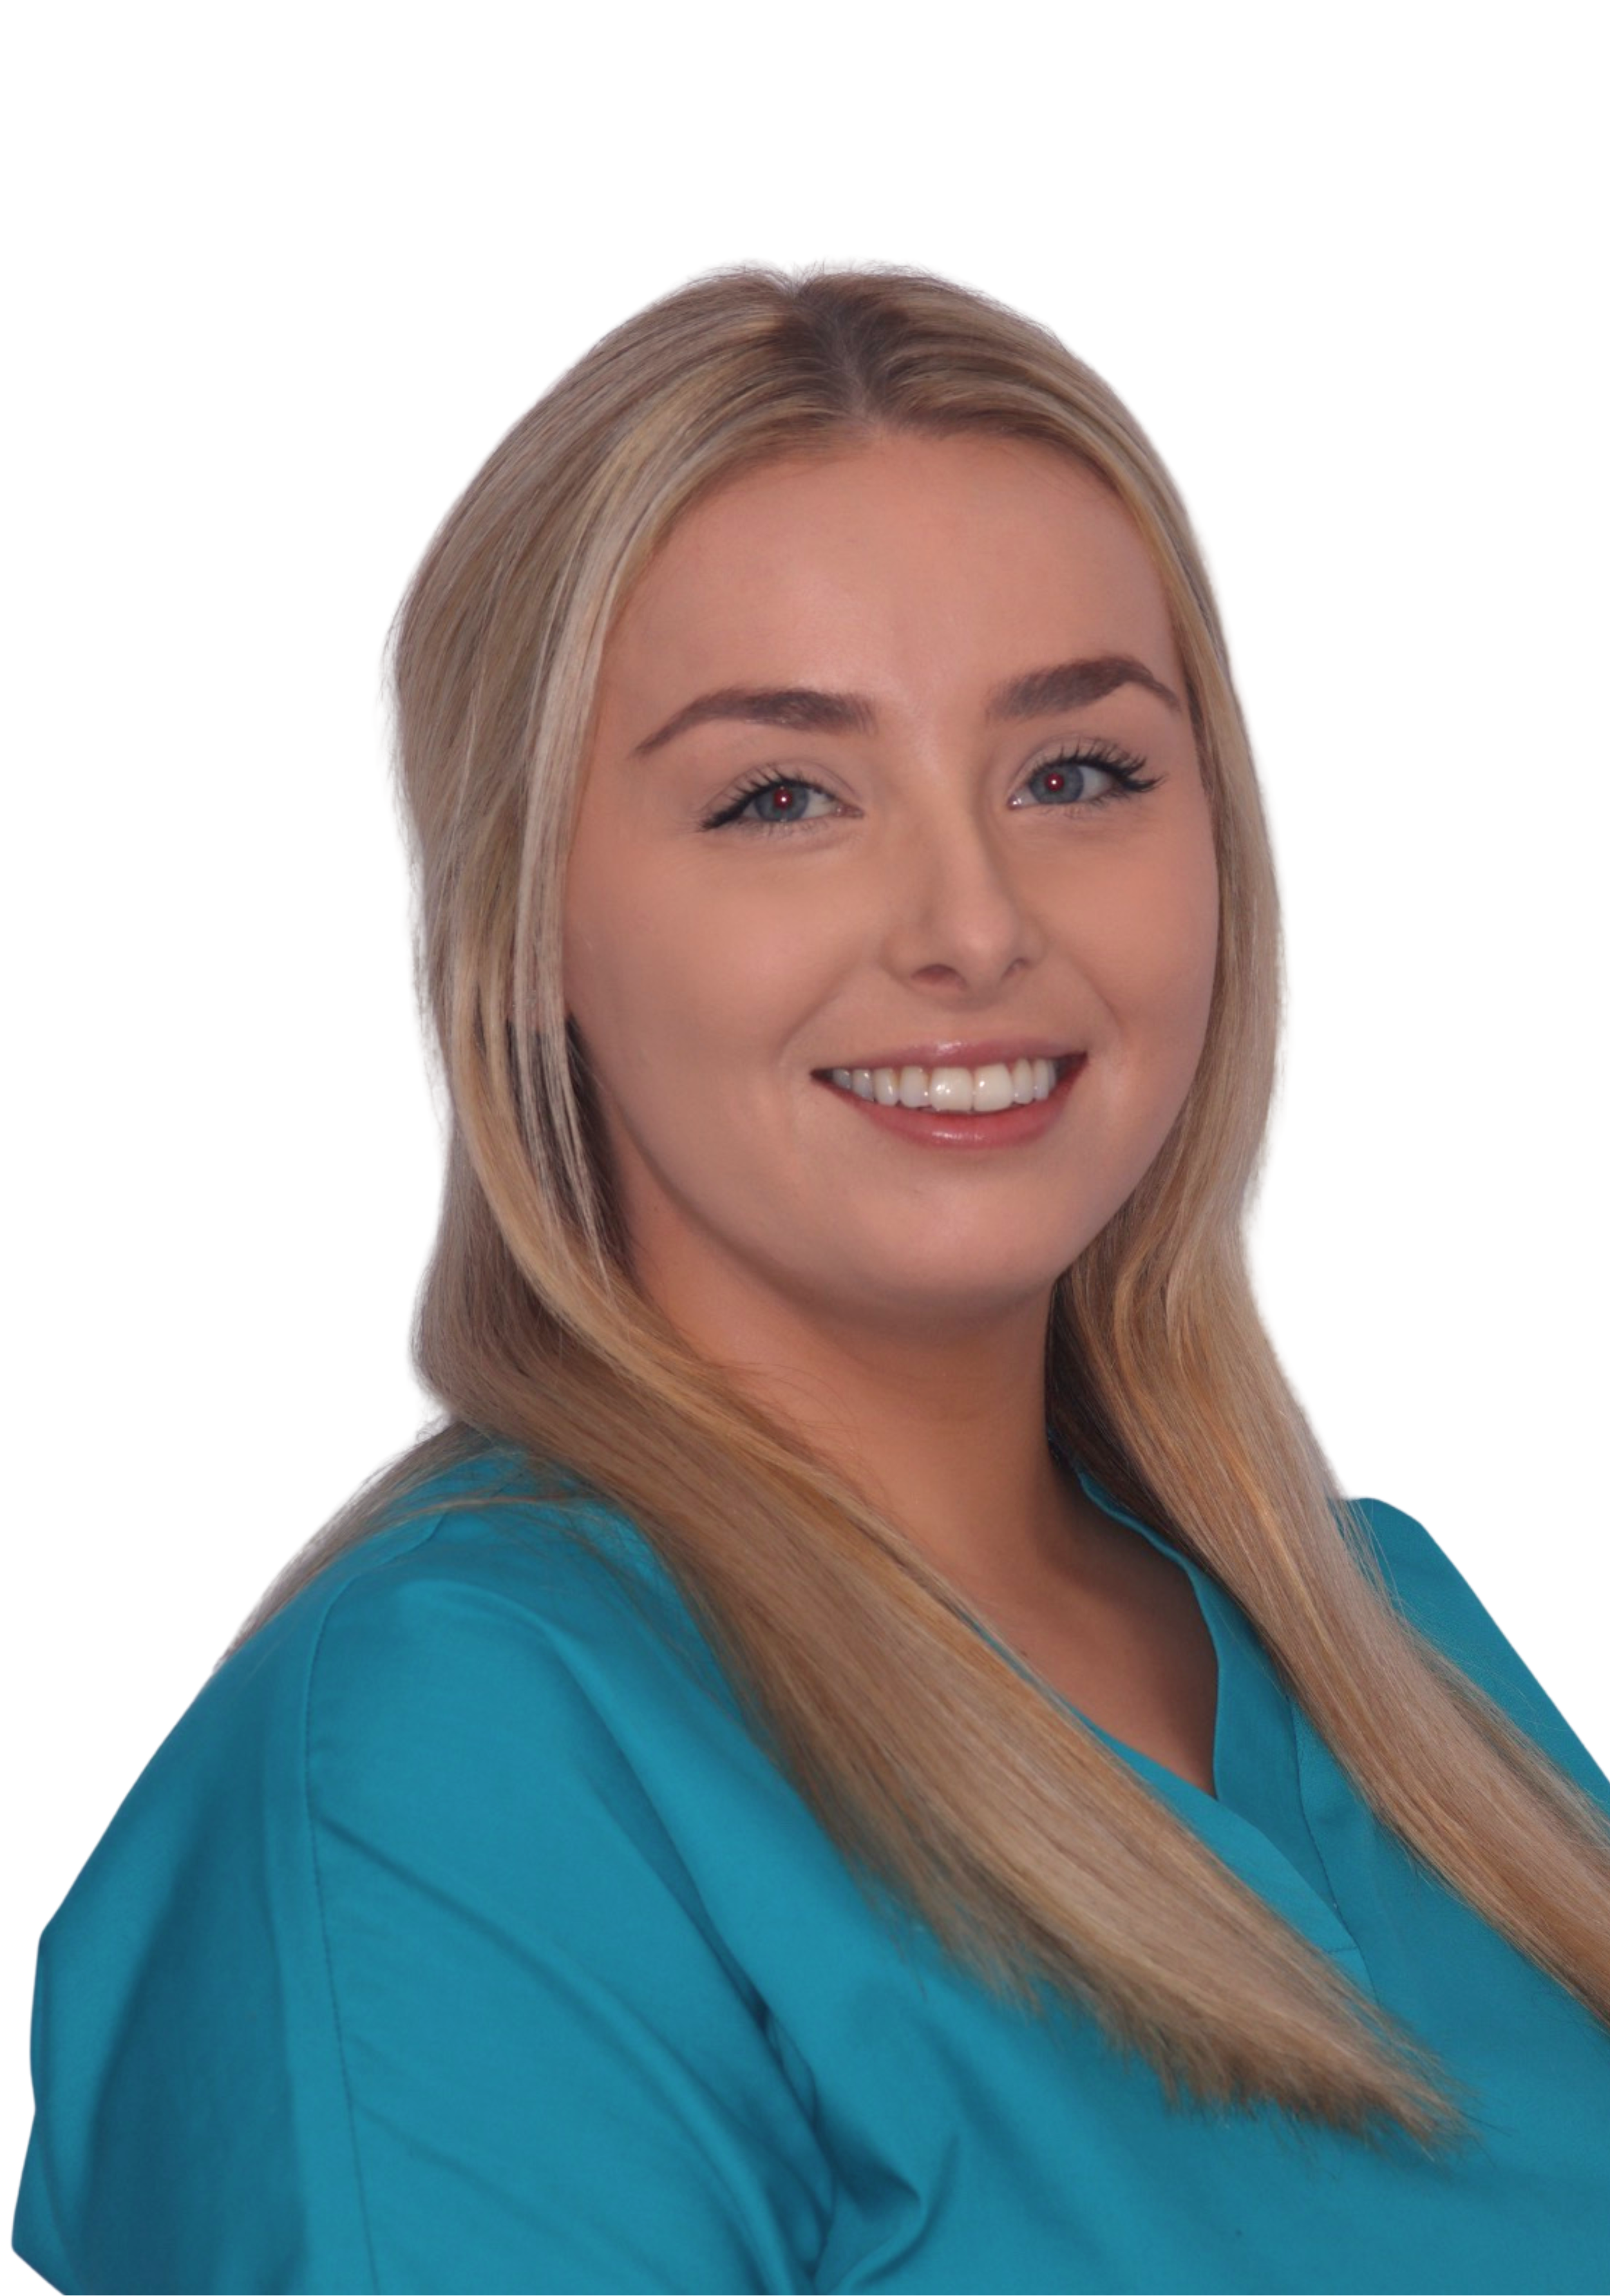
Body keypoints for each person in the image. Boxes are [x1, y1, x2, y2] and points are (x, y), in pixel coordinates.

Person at [14, 264, 1610, 2296]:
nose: (972, 921)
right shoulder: (455, 1764)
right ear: (524, 930)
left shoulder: (1388, 1655)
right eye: (782, 796)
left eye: (1076, 772)